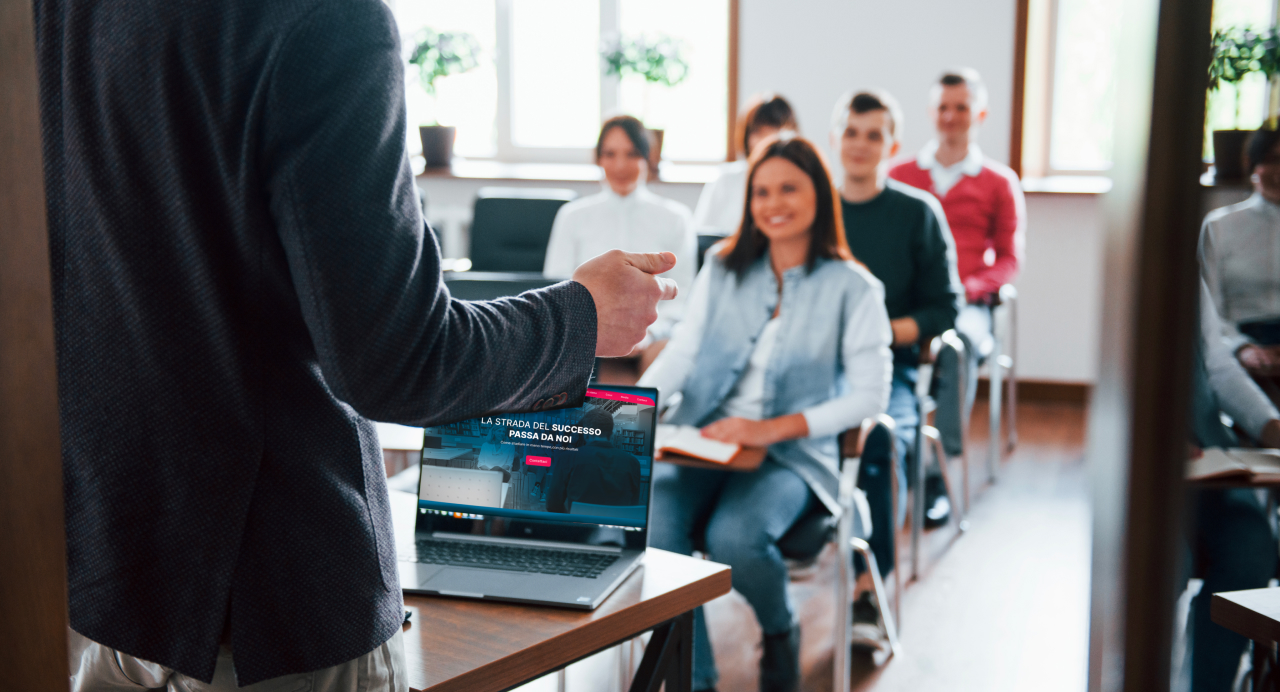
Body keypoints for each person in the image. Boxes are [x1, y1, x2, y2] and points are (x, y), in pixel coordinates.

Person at [37, 1, 680, 688]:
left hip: (113, 576)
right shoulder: (323, 18)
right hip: (272, 604)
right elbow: (401, 362)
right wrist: (581, 317)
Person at [639, 135, 893, 692]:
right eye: (761, 191)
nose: (773, 202)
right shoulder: (725, 266)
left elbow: (869, 397)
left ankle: (780, 629)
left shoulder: (855, 288)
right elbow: (683, 350)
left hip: (792, 454)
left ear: (820, 197)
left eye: (789, 189)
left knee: (736, 536)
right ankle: (694, 677)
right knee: (656, 526)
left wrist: (769, 428)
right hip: (707, 437)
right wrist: (633, 412)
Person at [832, 89, 963, 571]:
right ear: (835, 138)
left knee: (881, 441)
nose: (860, 144)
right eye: (851, 132)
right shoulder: (811, 211)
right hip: (815, 368)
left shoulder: (918, 213)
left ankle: (870, 587)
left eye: (873, 135)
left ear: (892, 144)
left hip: (891, 369)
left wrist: (878, 334)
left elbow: (946, 308)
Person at [889, 68, 1027, 462]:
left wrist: (971, 287)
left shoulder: (1000, 182)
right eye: (942, 107)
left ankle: (938, 466)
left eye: (961, 108)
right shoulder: (901, 175)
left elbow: (1009, 258)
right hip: (909, 301)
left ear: (979, 114)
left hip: (967, 303)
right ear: (931, 112)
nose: (951, 116)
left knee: (958, 344)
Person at [1186, 282, 1280, 691]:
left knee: (1252, 548)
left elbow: (1217, 364)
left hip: (1210, 455)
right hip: (1150, 469)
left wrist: (1269, 425)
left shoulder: (1190, 273)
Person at [544, 115, 698, 359]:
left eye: (632, 154)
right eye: (610, 154)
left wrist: (649, 334)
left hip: (651, 340)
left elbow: (684, 294)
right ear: (598, 159)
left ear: (648, 157)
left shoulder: (676, 218)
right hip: (586, 339)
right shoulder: (572, 216)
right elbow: (556, 286)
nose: (620, 166)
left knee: (668, 355)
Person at [1199, 128, 1280, 400]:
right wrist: (1241, 348)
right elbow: (1208, 308)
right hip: (1241, 341)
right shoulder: (1220, 226)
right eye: (1272, 159)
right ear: (1251, 164)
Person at [692, 94, 800, 237]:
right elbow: (702, 235)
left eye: (774, 129)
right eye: (758, 131)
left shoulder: (802, 180)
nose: (766, 139)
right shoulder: (726, 180)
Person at [545, 410, 643, 513]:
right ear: (611, 434)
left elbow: (552, 505)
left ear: (586, 434)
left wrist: (571, 517)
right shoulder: (633, 463)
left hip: (578, 525)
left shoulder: (567, 458)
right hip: (616, 527)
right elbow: (633, 505)